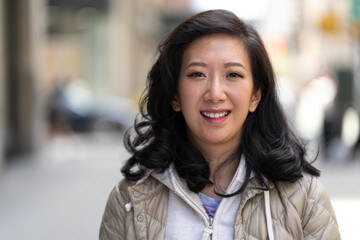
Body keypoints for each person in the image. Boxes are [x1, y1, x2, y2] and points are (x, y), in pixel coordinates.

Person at [100, 9, 341, 240]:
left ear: (255, 96)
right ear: (175, 96)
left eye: (233, 75)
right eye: (197, 74)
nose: (215, 93)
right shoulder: (130, 199)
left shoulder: (305, 198)